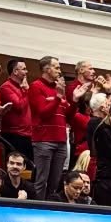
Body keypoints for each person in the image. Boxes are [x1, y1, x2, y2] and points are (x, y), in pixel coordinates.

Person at [28, 56, 69, 200]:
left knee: (55, 182)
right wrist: (58, 97)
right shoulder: (36, 86)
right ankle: (38, 209)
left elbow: (68, 115)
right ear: (47, 69)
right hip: (44, 140)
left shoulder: (58, 88)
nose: (60, 71)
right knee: (41, 180)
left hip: (61, 140)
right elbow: (43, 113)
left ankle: (50, 208)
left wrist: (75, 100)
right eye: (57, 67)